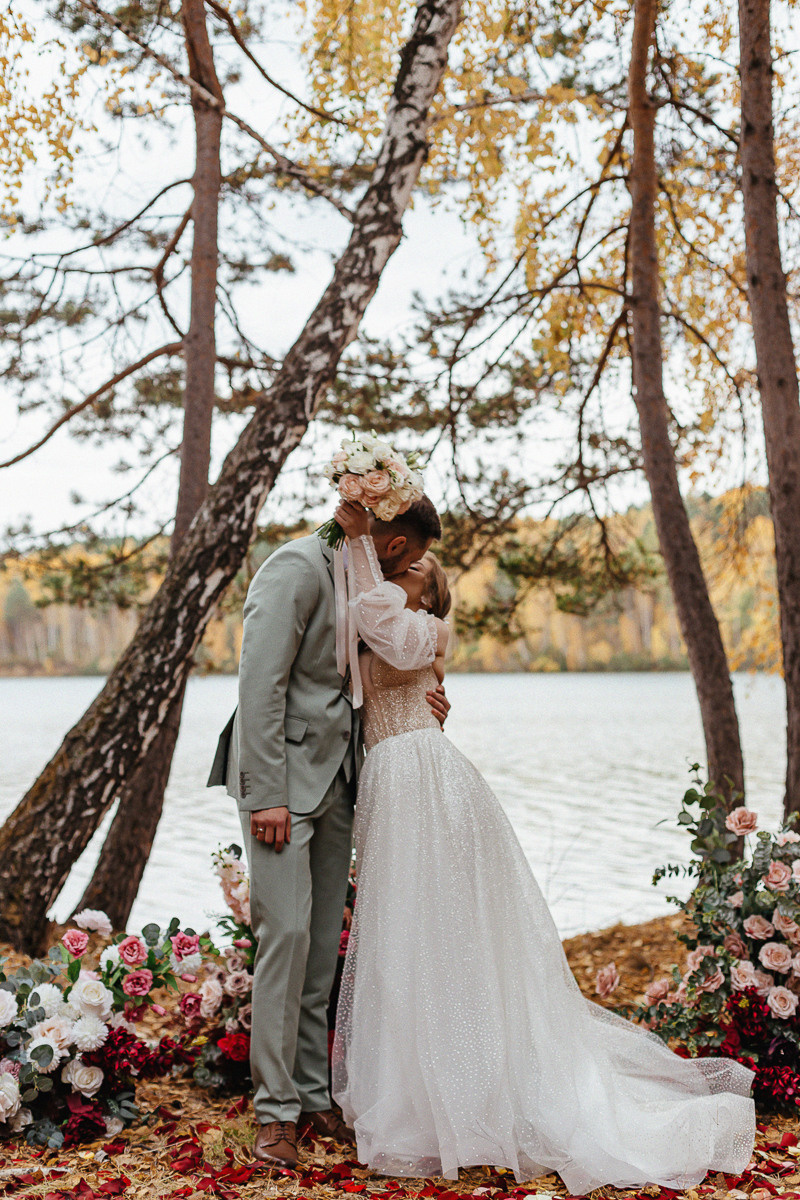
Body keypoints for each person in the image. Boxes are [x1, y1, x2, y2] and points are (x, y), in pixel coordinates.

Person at [330, 499, 756, 1197]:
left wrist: (357, 544)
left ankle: (460, 1096)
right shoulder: (394, 617)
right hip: (398, 776)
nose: (409, 575)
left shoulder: (416, 628)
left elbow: (372, 612)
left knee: (431, 929)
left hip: (423, 779)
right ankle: (425, 1082)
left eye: (417, 572)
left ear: (429, 596)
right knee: (409, 933)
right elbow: (363, 623)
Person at [206, 497, 449, 1169]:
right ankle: (274, 1114)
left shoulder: (371, 582)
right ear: (395, 543)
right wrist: (268, 796)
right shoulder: (294, 567)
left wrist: (430, 699)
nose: (408, 562)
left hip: (345, 778)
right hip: (284, 788)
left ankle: (314, 1097)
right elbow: (259, 684)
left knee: (318, 948)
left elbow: (380, 671)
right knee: (283, 938)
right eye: (410, 549)